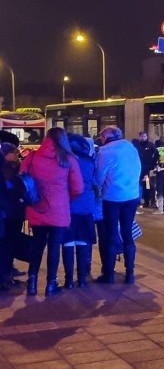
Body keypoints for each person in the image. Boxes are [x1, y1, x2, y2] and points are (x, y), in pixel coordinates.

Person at [22, 127, 84, 296]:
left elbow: (22, 178)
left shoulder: (33, 156)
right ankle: (51, 284)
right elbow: (79, 188)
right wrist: (65, 198)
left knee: (36, 245)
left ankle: (32, 282)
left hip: (37, 209)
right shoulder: (68, 159)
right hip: (59, 211)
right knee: (54, 247)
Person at [94, 126, 141, 285]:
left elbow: (99, 179)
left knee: (111, 234)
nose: (101, 141)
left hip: (112, 198)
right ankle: (130, 273)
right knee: (127, 233)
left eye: (101, 138)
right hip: (132, 196)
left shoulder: (104, 152)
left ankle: (109, 274)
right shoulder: (131, 148)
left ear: (106, 138)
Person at [62, 135, 100, 289]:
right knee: (83, 241)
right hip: (86, 206)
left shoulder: (64, 160)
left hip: (68, 207)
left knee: (68, 242)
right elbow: (95, 182)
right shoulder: (89, 161)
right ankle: (82, 279)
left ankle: (69, 280)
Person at [0, 142, 27, 292]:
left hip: (13, 212)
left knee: (9, 244)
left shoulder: (14, 167)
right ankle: (4, 277)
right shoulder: (5, 170)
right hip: (8, 212)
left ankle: (7, 273)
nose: (17, 155)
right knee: (6, 245)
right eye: (14, 153)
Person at [133, 131, 159, 209]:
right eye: (142, 136)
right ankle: (145, 200)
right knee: (143, 186)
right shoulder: (137, 146)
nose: (143, 138)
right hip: (140, 169)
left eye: (145, 136)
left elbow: (155, 156)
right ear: (139, 137)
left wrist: (153, 166)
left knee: (148, 185)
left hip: (148, 169)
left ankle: (150, 201)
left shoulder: (151, 145)